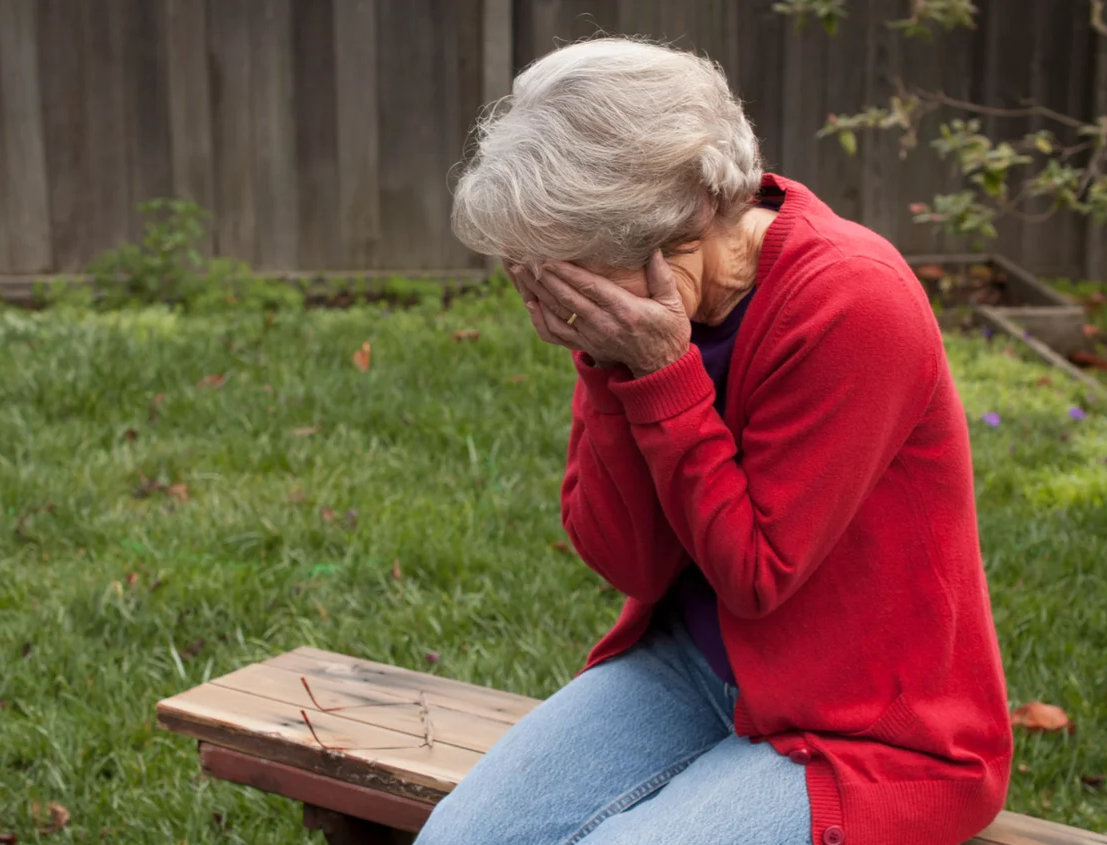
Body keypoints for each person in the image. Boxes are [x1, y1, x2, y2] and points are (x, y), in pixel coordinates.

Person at [416, 38, 1012, 845]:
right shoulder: (645, 309)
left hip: (865, 732)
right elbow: (629, 562)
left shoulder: (851, 303)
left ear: (685, 227)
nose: (560, 297)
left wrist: (661, 374)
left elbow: (757, 574)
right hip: (700, 668)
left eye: (572, 266)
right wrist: (606, 365)